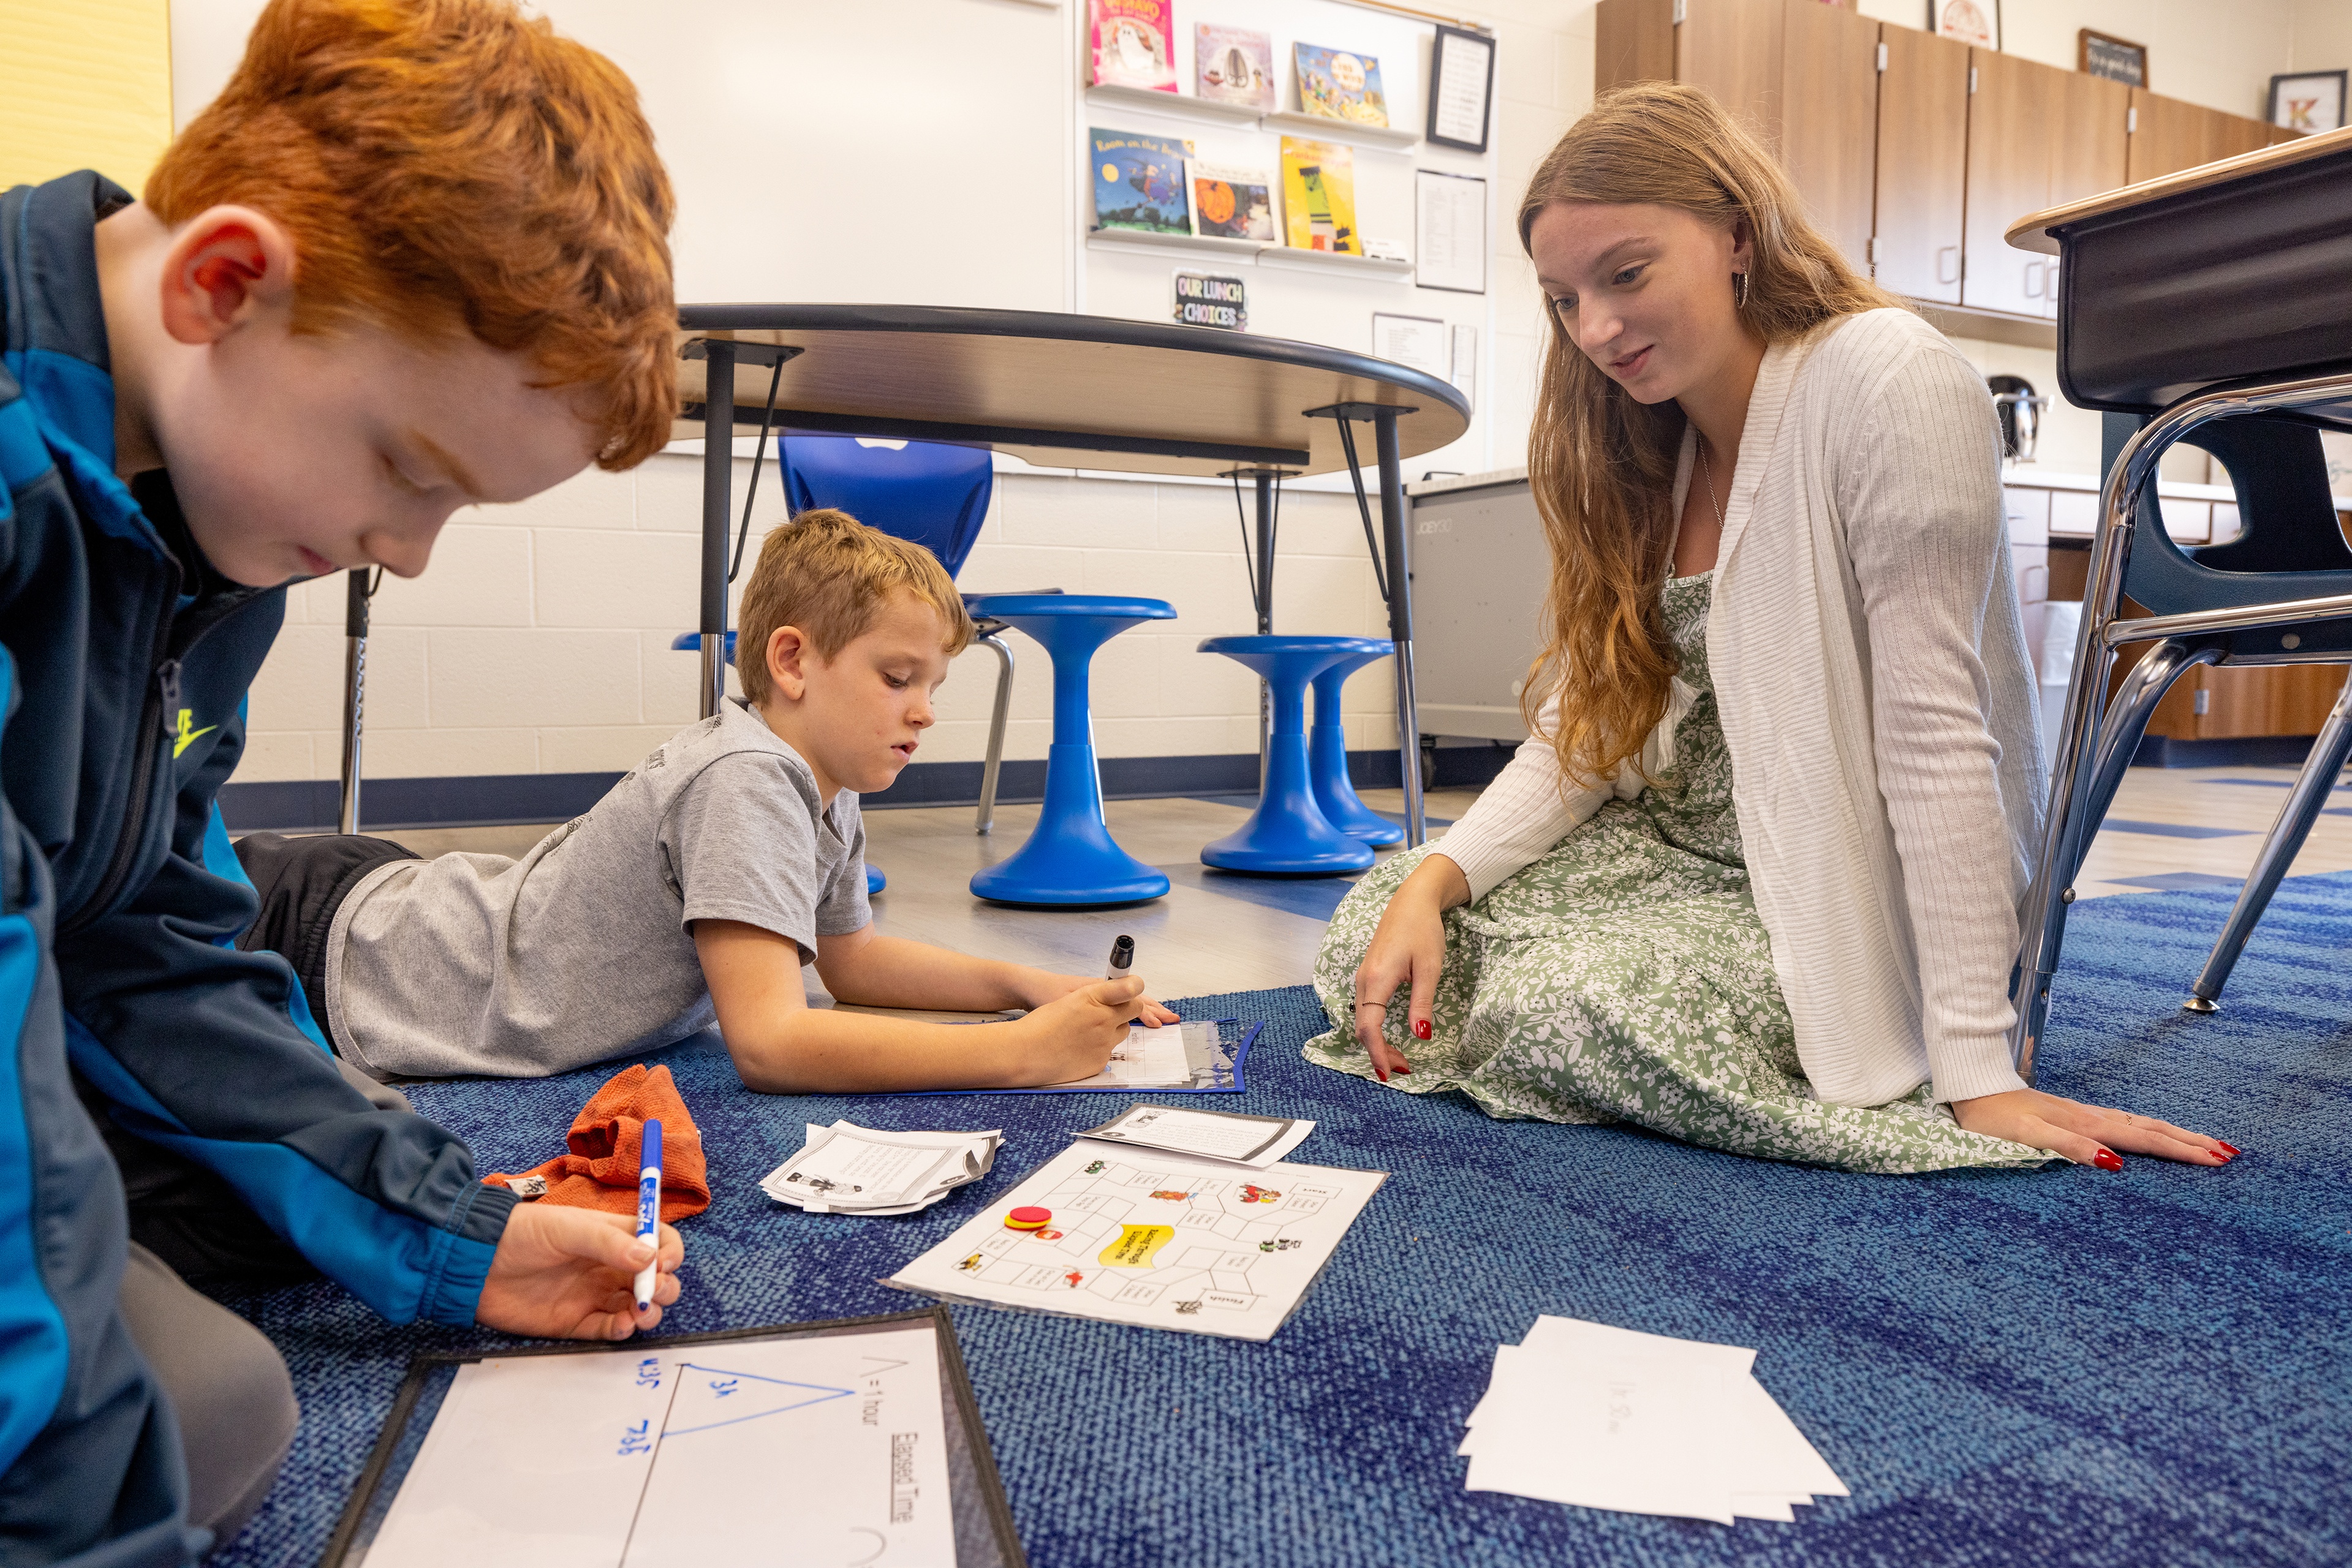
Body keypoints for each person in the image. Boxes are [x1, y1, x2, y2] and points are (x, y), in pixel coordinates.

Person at [1, 3, 689, 1561]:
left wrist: (461, 1239)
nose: (408, 549)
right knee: (142, 1437)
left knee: (225, 1370)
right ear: (223, 284)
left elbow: (147, 940)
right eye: (409, 469)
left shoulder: (197, 519)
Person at [1310, 83, 2237, 1175]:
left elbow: (1941, 743)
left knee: (1587, 997)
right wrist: (1433, 881)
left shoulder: (1890, 378)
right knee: (1381, 905)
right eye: (1564, 299)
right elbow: (1587, 733)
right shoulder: (1651, 445)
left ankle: (1830, 1042)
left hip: (1838, 875)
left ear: (1737, 237)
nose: (1596, 329)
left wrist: (1980, 1069)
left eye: (1627, 275)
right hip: (1681, 854)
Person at [232, 508, 1176, 1095]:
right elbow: (771, 1044)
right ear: (794, 661)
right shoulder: (748, 777)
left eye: (935, 686)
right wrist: (1019, 1054)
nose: (925, 713)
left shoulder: (822, 784)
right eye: (899, 678)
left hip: (394, 895)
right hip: (324, 947)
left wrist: (1029, 989)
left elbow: (850, 964)